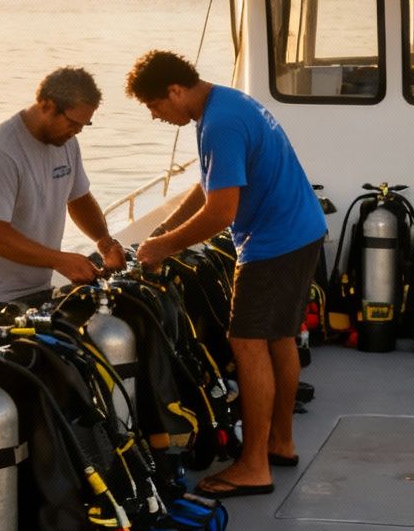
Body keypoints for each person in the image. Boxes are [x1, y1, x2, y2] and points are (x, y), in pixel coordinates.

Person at [127, 49, 326, 499]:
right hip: (301, 230)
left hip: (274, 243)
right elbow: (208, 184)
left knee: (247, 343)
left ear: (175, 91)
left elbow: (221, 211)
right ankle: (280, 441)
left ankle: (254, 466)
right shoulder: (226, 104)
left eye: (155, 106)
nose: (156, 117)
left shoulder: (220, 123)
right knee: (280, 338)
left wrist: (163, 247)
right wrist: (161, 230)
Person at [0, 67, 126, 333]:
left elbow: (79, 198)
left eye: (84, 126)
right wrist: (61, 260)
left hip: (40, 285)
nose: (77, 132)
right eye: (73, 123)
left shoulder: (66, 142)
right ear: (47, 105)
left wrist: (105, 242)